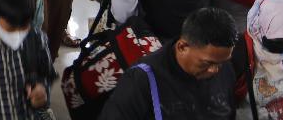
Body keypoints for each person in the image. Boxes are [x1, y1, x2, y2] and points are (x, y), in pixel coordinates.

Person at [100, 7, 238, 120]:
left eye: (222, 62)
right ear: (182, 47)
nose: (215, 70)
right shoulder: (141, 80)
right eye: (207, 63)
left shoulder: (224, 68)